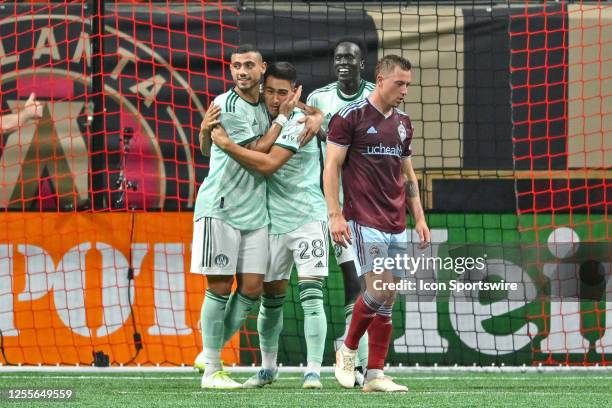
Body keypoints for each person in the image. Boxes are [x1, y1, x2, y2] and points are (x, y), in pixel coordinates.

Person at [210, 62, 327, 389]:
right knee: (269, 298)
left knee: (312, 295)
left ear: (296, 92)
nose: (276, 98)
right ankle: (268, 367)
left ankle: (313, 371)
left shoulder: (302, 120)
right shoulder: (261, 117)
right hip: (272, 220)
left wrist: (317, 117)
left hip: (307, 218)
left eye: (283, 92)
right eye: (271, 91)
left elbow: (268, 163)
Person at [191, 44, 298, 389]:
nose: (241, 71)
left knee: (252, 288)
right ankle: (212, 370)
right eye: (236, 66)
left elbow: (208, 145)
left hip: (255, 211)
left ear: (262, 68)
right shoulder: (227, 104)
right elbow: (255, 151)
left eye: (249, 65)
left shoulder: (267, 106)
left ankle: (210, 351)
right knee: (220, 287)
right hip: (221, 207)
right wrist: (283, 119)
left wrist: (207, 136)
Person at [324, 54, 431, 392]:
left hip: (396, 221)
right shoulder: (349, 118)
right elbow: (331, 168)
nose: (405, 90)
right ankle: (348, 348)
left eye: (408, 85)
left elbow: (407, 173)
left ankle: (374, 376)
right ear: (380, 79)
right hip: (363, 218)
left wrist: (420, 217)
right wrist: (334, 214)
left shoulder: (403, 122)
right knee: (379, 288)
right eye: (400, 83)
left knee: (388, 298)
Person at [306, 38, 374, 383]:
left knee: (367, 286)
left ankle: (357, 359)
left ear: (362, 63)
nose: (342, 62)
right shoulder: (318, 98)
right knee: (349, 282)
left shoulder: (376, 97)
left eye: (350, 57)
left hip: (370, 207)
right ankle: (352, 362)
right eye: (338, 58)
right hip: (331, 206)